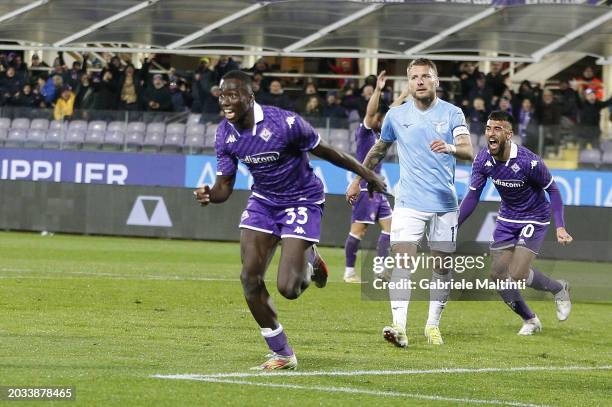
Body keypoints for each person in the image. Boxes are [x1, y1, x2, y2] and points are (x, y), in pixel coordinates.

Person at [193, 70, 386, 370]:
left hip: (302, 200)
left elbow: (329, 152)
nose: (226, 102)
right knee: (249, 278)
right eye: (222, 96)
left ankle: (310, 258)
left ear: (249, 95)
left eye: (233, 95)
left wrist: (367, 174)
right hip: (264, 202)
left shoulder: (285, 123)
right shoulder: (224, 134)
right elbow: (224, 188)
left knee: (289, 289)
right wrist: (210, 195)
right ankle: (282, 352)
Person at [347, 58, 474, 347]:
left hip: (444, 203)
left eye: (426, 76)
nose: (420, 81)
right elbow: (378, 149)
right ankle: (399, 326)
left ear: (436, 81)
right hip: (408, 201)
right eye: (414, 76)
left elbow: (469, 150)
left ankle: (432, 325)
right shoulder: (396, 115)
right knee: (402, 259)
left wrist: (451, 147)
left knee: (441, 266)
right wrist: (358, 178)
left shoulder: (453, 113)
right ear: (409, 82)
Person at [458, 111, 572, 335]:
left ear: (509, 134)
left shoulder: (529, 161)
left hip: (534, 217)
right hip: (507, 217)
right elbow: (472, 196)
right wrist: (454, 225)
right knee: (498, 275)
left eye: (497, 129)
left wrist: (560, 226)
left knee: (518, 273)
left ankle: (559, 289)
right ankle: (530, 320)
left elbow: (554, 191)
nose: (491, 133)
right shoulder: (483, 159)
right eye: (489, 128)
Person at [343, 71, 409, 283]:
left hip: (378, 189)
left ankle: (381, 269)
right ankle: (349, 272)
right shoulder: (365, 133)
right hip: (364, 188)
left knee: (391, 228)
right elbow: (371, 113)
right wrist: (379, 90)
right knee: (358, 231)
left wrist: (406, 92)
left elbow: (392, 111)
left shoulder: (381, 136)